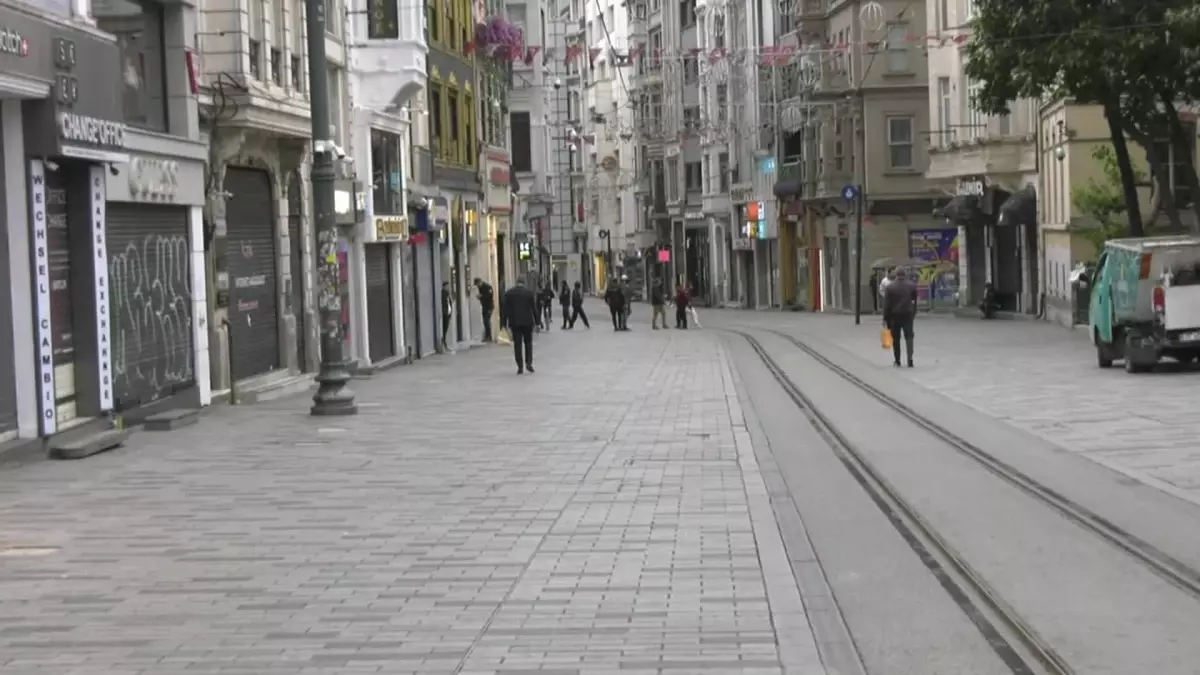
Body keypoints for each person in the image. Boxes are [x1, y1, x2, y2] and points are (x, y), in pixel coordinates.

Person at [501, 277, 538, 374]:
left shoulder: (509, 293)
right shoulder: (529, 293)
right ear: (524, 283)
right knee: (528, 343)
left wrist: (504, 323)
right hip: (527, 322)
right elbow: (534, 308)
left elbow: (505, 310)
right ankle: (529, 363)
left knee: (517, 344)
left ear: (516, 282)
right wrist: (537, 322)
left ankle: (520, 366)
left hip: (515, 322)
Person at [882, 268, 918, 368]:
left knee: (896, 339)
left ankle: (897, 360)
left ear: (896, 275)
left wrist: (885, 318)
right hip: (907, 315)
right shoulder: (912, 286)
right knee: (909, 337)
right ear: (905, 275)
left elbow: (887, 305)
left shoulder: (890, 287)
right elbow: (914, 301)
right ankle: (910, 360)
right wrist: (913, 312)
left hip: (894, 316)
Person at [473, 277, 494, 342]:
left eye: (477, 284)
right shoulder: (480, 287)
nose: (477, 286)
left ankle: (489, 336)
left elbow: (489, 295)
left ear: (480, 282)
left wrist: (481, 296)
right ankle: (487, 336)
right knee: (485, 322)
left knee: (486, 321)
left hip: (489, 306)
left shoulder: (487, 287)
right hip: (484, 306)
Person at [440, 281, 453, 350]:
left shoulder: (447, 293)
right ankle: (444, 343)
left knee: (446, 329)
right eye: (447, 286)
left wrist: (450, 312)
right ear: (444, 286)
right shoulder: (442, 293)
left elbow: (449, 303)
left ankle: (444, 342)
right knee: (444, 329)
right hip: (445, 314)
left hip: (448, 313)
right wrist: (444, 312)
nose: (448, 287)